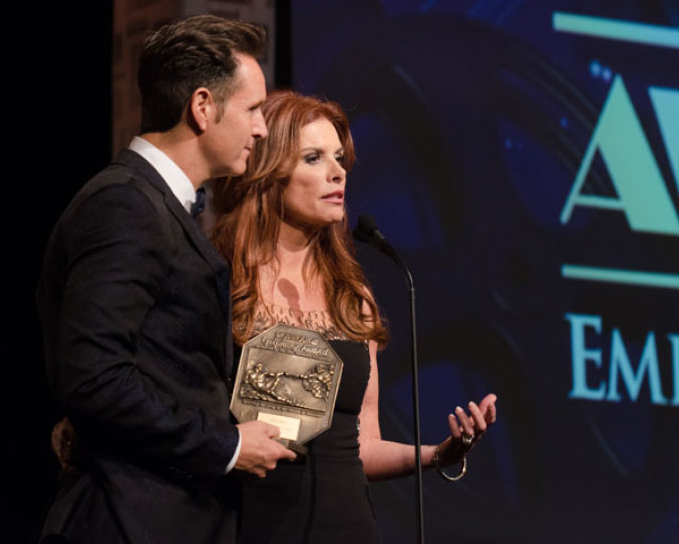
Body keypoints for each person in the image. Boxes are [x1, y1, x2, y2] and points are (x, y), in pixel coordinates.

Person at [36, 15, 296, 544]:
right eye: (252, 110)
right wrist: (226, 446)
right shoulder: (125, 204)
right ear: (203, 106)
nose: (262, 129)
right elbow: (95, 378)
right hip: (129, 519)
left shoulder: (154, 205)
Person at [210, 89, 498, 543]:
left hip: (346, 526)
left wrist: (440, 453)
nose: (337, 171)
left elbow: (362, 445)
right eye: (313, 158)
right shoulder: (220, 282)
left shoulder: (351, 296)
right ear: (269, 172)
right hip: (248, 524)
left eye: (340, 158)